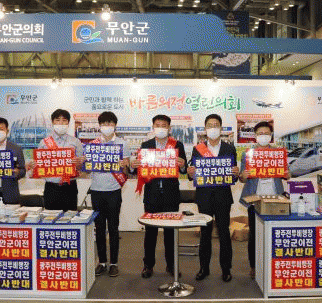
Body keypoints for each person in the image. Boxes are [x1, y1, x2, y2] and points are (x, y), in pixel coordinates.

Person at [131, 114, 187, 278]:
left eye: (164, 125)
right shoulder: (146, 145)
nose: (161, 128)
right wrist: (134, 166)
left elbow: (184, 169)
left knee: (170, 233)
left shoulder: (177, 145)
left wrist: (183, 165)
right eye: (158, 125)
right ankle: (148, 265)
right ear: (153, 127)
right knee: (150, 232)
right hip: (152, 194)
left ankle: (171, 265)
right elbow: (139, 169)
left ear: (169, 128)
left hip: (170, 194)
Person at [187, 114, 239, 282]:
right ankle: (204, 268)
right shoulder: (198, 148)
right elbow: (192, 171)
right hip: (204, 197)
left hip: (223, 197)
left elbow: (233, 174)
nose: (213, 128)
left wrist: (236, 173)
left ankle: (226, 269)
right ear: (205, 128)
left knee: (224, 233)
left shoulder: (229, 148)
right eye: (210, 125)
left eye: (216, 125)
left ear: (221, 128)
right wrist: (190, 172)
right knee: (205, 233)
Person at [239, 121, 289, 279]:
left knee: (275, 234)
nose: (263, 136)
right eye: (260, 134)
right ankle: (254, 266)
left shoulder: (278, 153)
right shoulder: (247, 154)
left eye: (266, 133)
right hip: (255, 199)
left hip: (276, 199)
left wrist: (287, 175)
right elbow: (241, 178)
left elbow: (286, 174)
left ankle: (275, 264)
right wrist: (243, 176)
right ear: (255, 136)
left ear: (271, 135)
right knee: (254, 235)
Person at [89, 111, 131, 278]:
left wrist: (124, 165)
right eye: (104, 124)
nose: (107, 126)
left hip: (114, 191)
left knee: (113, 228)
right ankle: (102, 262)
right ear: (100, 126)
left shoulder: (122, 144)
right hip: (96, 190)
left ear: (115, 125)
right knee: (99, 228)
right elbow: (87, 169)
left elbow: (127, 170)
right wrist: (84, 162)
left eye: (110, 123)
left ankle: (114, 263)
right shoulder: (93, 145)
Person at [32, 109, 85, 211]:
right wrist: (35, 166)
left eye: (64, 120)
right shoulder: (44, 142)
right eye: (57, 120)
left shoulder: (75, 142)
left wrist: (79, 163)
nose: (61, 123)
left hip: (69, 187)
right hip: (51, 188)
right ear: (52, 122)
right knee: (50, 218)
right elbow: (39, 166)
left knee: (70, 218)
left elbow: (80, 168)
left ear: (68, 123)